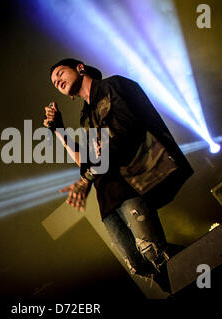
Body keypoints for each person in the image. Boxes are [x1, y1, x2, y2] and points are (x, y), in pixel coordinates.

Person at [43, 58, 194, 293]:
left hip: (129, 183)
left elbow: (125, 131)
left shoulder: (113, 86)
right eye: (54, 83)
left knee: (154, 251)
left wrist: (88, 177)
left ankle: (205, 261)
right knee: (140, 266)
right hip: (107, 198)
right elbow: (86, 162)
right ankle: (187, 273)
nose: (58, 82)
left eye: (60, 73)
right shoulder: (86, 118)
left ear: (80, 68)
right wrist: (59, 130)